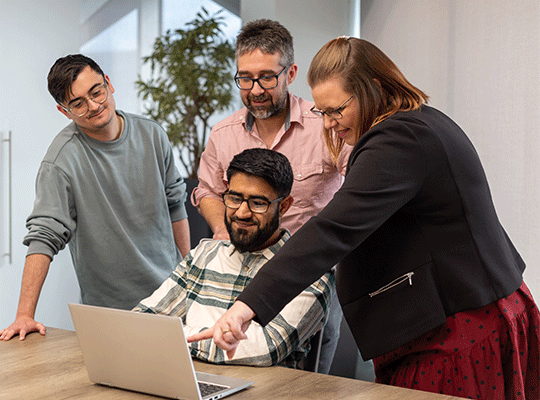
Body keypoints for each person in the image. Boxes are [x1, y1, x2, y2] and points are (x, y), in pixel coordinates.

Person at [188, 38, 540, 398]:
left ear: (372, 88)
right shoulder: (416, 124)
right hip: (464, 311)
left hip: (458, 327)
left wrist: (246, 308)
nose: (329, 125)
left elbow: (333, 229)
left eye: (336, 110)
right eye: (322, 113)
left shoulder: (399, 140)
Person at [191, 18, 351, 374]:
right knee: (232, 369)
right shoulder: (223, 133)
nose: (255, 89)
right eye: (245, 78)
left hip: (310, 278)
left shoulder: (325, 125)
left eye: (266, 77)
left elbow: (358, 187)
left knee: (303, 382)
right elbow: (207, 191)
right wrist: (221, 231)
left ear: (290, 72)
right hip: (239, 277)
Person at [0, 54, 190, 341]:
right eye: (77, 103)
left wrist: (188, 273)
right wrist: (24, 314)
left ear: (108, 84)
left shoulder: (153, 135)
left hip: (173, 298)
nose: (93, 106)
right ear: (64, 111)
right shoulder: (61, 162)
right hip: (111, 313)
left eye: (96, 91)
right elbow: (44, 236)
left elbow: (175, 204)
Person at [134, 148, 334, 367]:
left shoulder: (310, 273)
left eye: (258, 203)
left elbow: (264, 350)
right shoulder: (204, 254)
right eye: (235, 198)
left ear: (284, 206)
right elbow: (143, 320)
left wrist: (174, 337)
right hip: (186, 381)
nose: (242, 213)